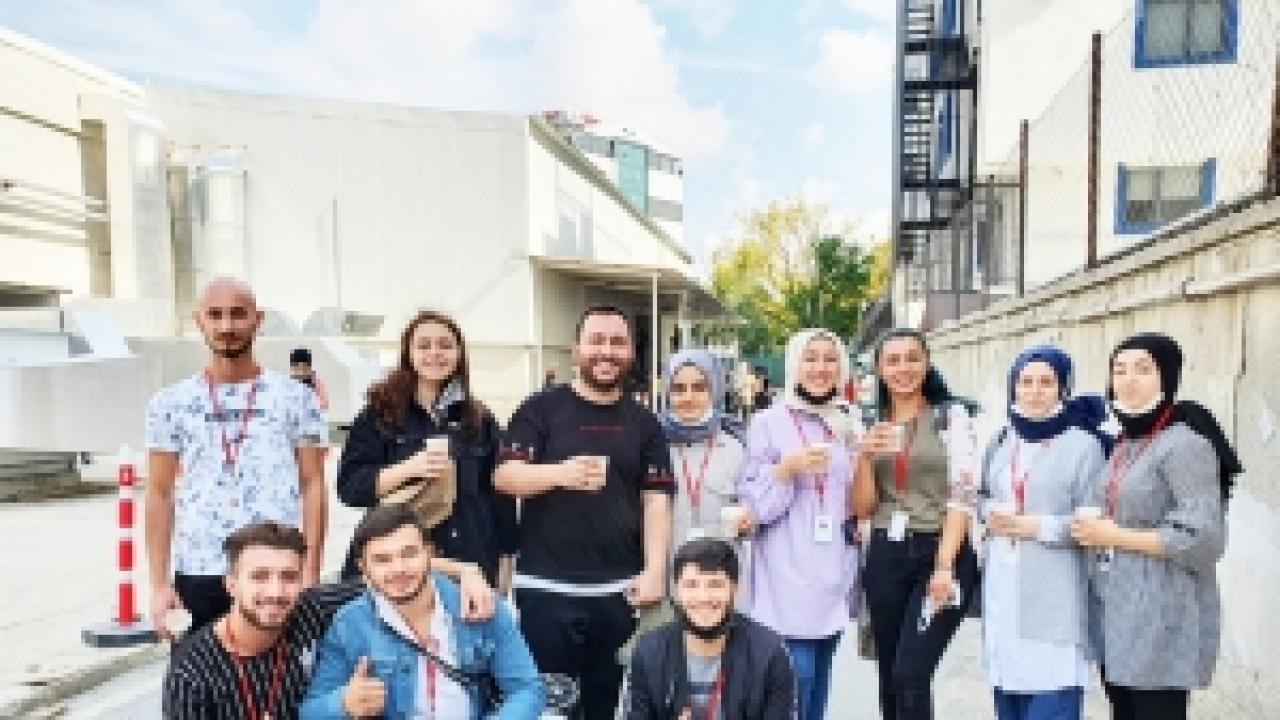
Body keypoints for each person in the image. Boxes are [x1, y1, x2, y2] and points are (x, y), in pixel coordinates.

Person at [495, 305, 674, 719]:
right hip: (546, 589)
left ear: (631, 353)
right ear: (576, 350)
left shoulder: (645, 423)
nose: (606, 352)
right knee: (550, 709)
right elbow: (504, 476)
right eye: (596, 341)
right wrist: (559, 473)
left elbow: (656, 500)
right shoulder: (540, 409)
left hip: (618, 592)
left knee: (606, 707)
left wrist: (655, 571)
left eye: (617, 342)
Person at [145, 277, 327, 638]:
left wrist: (310, 570)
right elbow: (159, 493)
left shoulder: (296, 399)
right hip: (200, 571)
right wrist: (159, 584)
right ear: (199, 321)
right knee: (199, 672)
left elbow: (313, 484)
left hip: (276, 572)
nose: (226, 326)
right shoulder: (170, 403)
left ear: (258, 319)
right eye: (215, 315)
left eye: (238, 314)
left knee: (282, 673)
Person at [1071, 332, 1239, 720]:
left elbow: (1205, 538)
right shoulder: (1126, 441)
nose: (1128, 380)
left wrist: (1113, 535)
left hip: (1162, 610)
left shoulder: (1184, 445)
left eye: (1143, 370)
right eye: (1119, 370)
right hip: (1118, 606)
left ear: (1167, 376)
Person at [162, 520, 490, 718]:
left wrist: (466, 572)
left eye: (288, 577)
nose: (275, 591)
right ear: (231, 585)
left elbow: (391, 573)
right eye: (259, 577)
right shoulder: (192, 673)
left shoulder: (310, 608)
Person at [301, 505, 545, 719]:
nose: (399, 569)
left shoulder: (481, 604)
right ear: (363, 569)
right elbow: (310, 711)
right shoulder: (349, 624)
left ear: (430, 554)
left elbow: (527, 688)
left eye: (409, 554)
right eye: (382, 559)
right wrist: (344, 703)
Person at [336, 310, 516, 593]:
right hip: (396, 567)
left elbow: (500, 496)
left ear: (459, 353)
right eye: (423, 345)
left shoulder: (479, 419)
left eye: (445, 345)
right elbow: (350, 488)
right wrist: (409, 468)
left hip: (469, 565)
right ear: (408, 354)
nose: (435, 353)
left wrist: (506, 560)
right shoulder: (379, 415)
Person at [852, 327, 980, 720]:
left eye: (912, 358)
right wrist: (864, 457)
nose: (903, 368)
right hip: (886, 555)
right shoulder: (870, 421)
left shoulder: (950, 417)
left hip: (940, 550)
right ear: (878, 369)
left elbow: (963, 496)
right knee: (890, 676)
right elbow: (863, 508)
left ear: (926, 364)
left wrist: (944, 566)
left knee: (911, 675)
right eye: (892, 361)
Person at [977, 346, 1109, 720]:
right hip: (1003, 588)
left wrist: (1038, 526)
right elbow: (982, 495)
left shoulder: (1084, 446)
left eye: (1046, 382)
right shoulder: (1002, 439)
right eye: (1026, 382)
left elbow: (1095, 521)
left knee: (1052, 698)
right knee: (1010, 702)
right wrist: (989, 514)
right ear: (1013, 387)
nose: (1035, 391)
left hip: (1055, 594)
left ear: (1062, 389)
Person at [739, 328, 860, 720]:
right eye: (811, 358)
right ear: (794, 365)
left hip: (834, 569)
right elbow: (754, 506)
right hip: (786, 571)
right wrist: (786, 470)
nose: (820, 368)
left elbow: (854, 497)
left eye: (830, 358)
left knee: (820, 678)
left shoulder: (847, 423)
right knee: (797, 679)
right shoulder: (767, 423)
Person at [621, 538, 796, 719]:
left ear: (735, 588)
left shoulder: (770, 654)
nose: (703, 597)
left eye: (715, 585)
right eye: (691, 585)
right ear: (676, 591)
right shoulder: (648, 653)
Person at [661, 349, 751, 552]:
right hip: (669, 566)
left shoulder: (737, 446)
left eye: (699, 388)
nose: (688, 397)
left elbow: (752, 512)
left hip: (722, 566)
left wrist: (748, 523)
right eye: (678, 389)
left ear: (715, 390)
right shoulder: (653, 445)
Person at [290, 347, 330, 412]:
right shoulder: (291, 382)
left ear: (308, 366)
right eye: (297, 367)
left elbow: (324, 405)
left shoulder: (316, 381)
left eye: (304, 367)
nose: (300, 371)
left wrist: (310, 404)